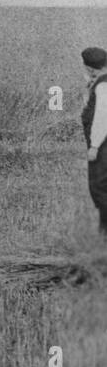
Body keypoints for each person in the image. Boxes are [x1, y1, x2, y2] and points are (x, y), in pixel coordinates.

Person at [83, 47, 107, 235]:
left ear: (90, 68)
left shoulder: (102, 86)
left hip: (103, 145)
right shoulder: (99, 82)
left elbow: (101, 118)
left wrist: (95, 146)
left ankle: (104, 233)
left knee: (99, 187)